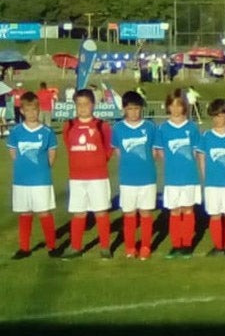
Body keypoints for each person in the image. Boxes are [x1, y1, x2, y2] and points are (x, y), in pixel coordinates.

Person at [62, 88, 114, 260]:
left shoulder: (102, 125)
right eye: (79, 104)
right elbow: (69, 146)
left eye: (86, 104)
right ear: (75, 105)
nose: (83, 107)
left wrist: (98, 161)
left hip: (98, 177)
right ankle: (76, 246)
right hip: (76, 178)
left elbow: (108, 148)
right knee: (79, 212)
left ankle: (105, 247)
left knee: (101, 211)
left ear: (93, 105)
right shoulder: (69, 125)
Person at [8, 92, 57, 259]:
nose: (32, 113)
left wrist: (42, 169)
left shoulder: (47, 132)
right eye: (28, 110)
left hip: (41, 180)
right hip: (21, 180)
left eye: (34, 109)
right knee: (25, 213)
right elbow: (13, 152)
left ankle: (52, 246)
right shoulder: (16, 131)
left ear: (39, 109)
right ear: (22, 111)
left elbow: (52, 154)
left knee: (44, 212)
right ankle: (24, 248)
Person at [112, 91, 158, 260]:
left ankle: (145, 246)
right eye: (130, 109)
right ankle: (130, 247)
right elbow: (118, 151)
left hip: (147, 178)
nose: (134, 112)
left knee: (146, 213)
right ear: (124, 109)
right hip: (127, 179)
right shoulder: (117, 128)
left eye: (137, 109)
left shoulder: (150, 127)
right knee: (129, 214)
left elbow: (154, 151)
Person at [155, 89, 201, 259]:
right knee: (174, 211)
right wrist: (173, 165)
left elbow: (197, 151)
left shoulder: (192, 127)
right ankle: (176, 244)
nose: (175, 109)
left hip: (189, 177)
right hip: (172, 178)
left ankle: (187, 244)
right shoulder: (163, 128)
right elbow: (160, 152)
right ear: (168, 107)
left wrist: (187, 164)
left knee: (188, 210)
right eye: (172, 105)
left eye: (179, 105)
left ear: (184, 107)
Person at [200, 99, 225, 257]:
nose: (217, 119)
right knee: (215, 214)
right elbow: (202, 159)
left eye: (220, 115)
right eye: (214, 116)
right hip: (212, 183)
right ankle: (218, 245)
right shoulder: (206, 136)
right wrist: (206, 179)